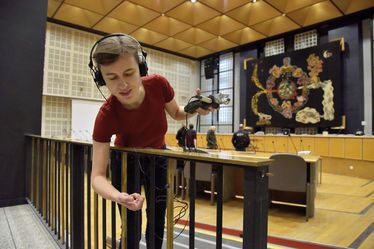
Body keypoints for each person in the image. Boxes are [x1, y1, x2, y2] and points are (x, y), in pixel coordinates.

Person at [89, 34, 212, 249]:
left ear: (141, 67)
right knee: (131, 223)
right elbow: (97, 176)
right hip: (126, 162)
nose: (123, 84)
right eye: (111, 78)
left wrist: (194, 108)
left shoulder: (159, 84)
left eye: (129, 73)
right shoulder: (106, 115)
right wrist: (119, 196)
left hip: (158, 156)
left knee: (157, 218)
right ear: (101, 79)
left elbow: (176, 112)